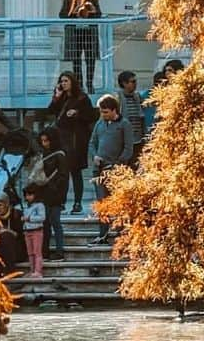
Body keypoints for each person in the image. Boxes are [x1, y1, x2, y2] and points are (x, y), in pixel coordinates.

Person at [87, 94, 134, 243]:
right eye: (101, 111)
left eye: (106, 112)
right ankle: (103, 235)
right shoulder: (99, 124)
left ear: (114, 110)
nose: (103, 114)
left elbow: (128, 148)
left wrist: (118, 164)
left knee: (119, 203)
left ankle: (122, 236)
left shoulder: (124, 124)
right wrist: (94, 156)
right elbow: (92, 143)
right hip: (99, 170)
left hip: (116, 171)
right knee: (102, 204)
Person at [47, 71, 96, 214]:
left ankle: (77, 202)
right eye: (61, 81)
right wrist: (56, 97)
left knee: (75, 172)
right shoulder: (61, 97)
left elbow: (91, 116)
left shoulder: (82, 98)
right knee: (62, 172)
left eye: (66, 81)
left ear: (72, 82)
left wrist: (77, 113)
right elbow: (51, 111)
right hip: (61, 137)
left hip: (76, 139)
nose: (63, 84)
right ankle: (61, 202)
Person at [59, 0, 103, 93]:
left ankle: (89, 84)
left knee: (90, 58)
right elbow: (62, 15)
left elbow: (99, 14)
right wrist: (73, 12)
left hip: (89, 32)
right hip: (75, 33)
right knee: (76, 60)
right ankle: (79, 85)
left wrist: (91, 11)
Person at [36, 127, 69, 260]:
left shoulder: (59, 155)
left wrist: (60, 196)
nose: (45, 143)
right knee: (46, 224)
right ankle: (46, 251)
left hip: (55, 195)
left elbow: (63, 177)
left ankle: (59, 251)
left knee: (55, 222)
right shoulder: (44, 154)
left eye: (46, 141)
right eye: (43, 141)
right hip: (45, 193)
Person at [116, 70, 147, 160]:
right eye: (132, 82)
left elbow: (142, 117)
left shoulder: (138, 97)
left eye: (135, 81)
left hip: (138, 138)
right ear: (124, 83)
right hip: (123, 140)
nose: (135, 84)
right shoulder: (118, 98)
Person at [21, 184, 46, 279]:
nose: (28, 197)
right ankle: (32, 270)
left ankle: (38, 271)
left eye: (30, 195)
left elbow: (42, 217)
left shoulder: (40, 205)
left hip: (37, 231)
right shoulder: (27, 206)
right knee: (30, 253)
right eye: (26, 195)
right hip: (27, 231)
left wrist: (29, 218)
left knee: (37, 252)